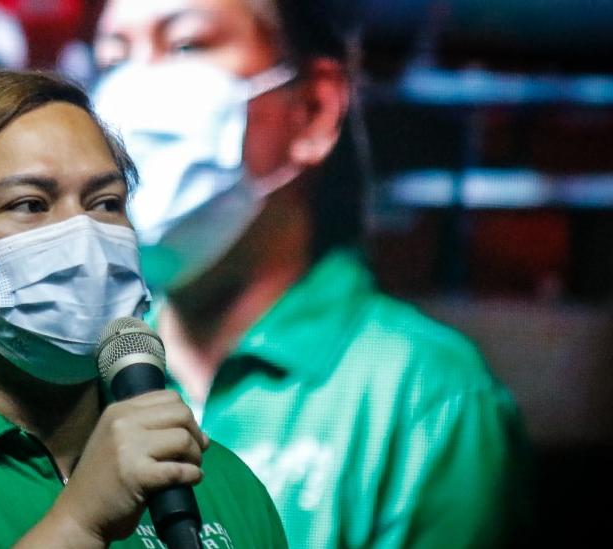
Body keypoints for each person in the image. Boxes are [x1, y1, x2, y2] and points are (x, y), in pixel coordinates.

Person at [87, 1, 534, 548]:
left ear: (314, 109)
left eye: (186, 46)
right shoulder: (84, 381)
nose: (134, 94)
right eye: (114, 58)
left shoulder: (424, 396)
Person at [0, 67, 290, 549]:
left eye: (106, 203)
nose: (85, 234)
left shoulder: (217, 478)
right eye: (30, 204)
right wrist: (78, 525)